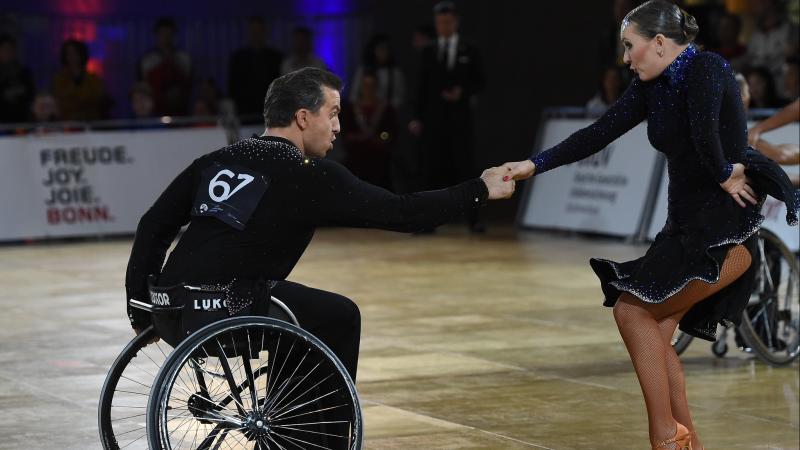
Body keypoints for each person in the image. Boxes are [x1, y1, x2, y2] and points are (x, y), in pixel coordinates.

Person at [502, 2, 798, 448]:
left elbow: (705, 132)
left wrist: (723, 172)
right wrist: (533, 164)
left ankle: (663, 437)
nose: (625, 58)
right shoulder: (650, 86)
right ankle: (686, 441)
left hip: (725, 236)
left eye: (629, 46)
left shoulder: (706, 67)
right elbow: (597, 133)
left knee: (631, 310)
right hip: (684, 230)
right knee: (655, 333)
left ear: (659, 43)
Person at [125, 67, 514, 382]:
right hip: (225, 311)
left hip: (172, 310)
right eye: (334, 113)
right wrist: (478, 190)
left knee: (297, 305)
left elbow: (153, 224)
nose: (338, 127)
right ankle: (309, 437)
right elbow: (403, 213)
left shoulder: (217, 159)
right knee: (338, 315)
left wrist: (140, 309)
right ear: (303, 117)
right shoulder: (309, 174)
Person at [409, 1, 486, 232]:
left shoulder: (469, 49)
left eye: (447, 22)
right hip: (433, 120)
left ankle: (474, 220)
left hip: (460, 121)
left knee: (466, 169)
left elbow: (480, 80)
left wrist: (463, 92)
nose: (443, 26)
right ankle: (427, 221)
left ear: (456, 22)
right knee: (430, 171)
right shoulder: (429, 50)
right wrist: (417, 117)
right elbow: (421, 87)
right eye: (439, 22)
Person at [341, 70, 397, 188]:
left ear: (376, 87)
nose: (368, 89)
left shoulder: (386, 108)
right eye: (365, 85)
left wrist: (382, 138)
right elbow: (346, 133)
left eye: (371, 85)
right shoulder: (351, 108)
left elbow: (391, 132)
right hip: (356, 159)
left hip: (379, 160)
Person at [228, 16, 283, 117]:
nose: (256, 34)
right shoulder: (238, 58)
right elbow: (233, 86)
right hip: (245, 112)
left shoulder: (276, 58)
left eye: (259, 31)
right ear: (249, 33)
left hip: (270, 112)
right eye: (253, 31)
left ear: (264, 32)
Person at [138, 17, 192, 116]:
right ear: (156, 35)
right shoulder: (147, 60)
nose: (166, 37)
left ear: (174, 35)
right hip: (155, 111)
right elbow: (142, 87)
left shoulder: (184, 58)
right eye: (162, 34)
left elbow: (189, 84)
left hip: (180, 110)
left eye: (169, 34)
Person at [51, 39, 108, 121]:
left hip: (91, 122)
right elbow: (61, 101)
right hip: (66, 123)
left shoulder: (94, 79)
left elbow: (95, 100)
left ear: (81, 54)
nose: (72, 57)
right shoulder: (59, 79)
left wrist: (77, 99)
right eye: (68, 53)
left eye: (75, 53)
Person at [348, 34, 406, 109]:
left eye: (386, 49)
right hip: (364, 112)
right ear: (373, 50)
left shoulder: (395, 73)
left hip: (386, 112)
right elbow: (354, 95)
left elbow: (399, 97)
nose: (383, 52)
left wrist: (384, 107)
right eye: (380, 49)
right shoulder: (363, 70)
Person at [0, 34, 34, 123]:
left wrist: (19, 91)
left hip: (22, 120)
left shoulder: (24, 73)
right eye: (4, 49)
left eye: (10, 49)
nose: (7, 53)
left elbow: (31, 94)